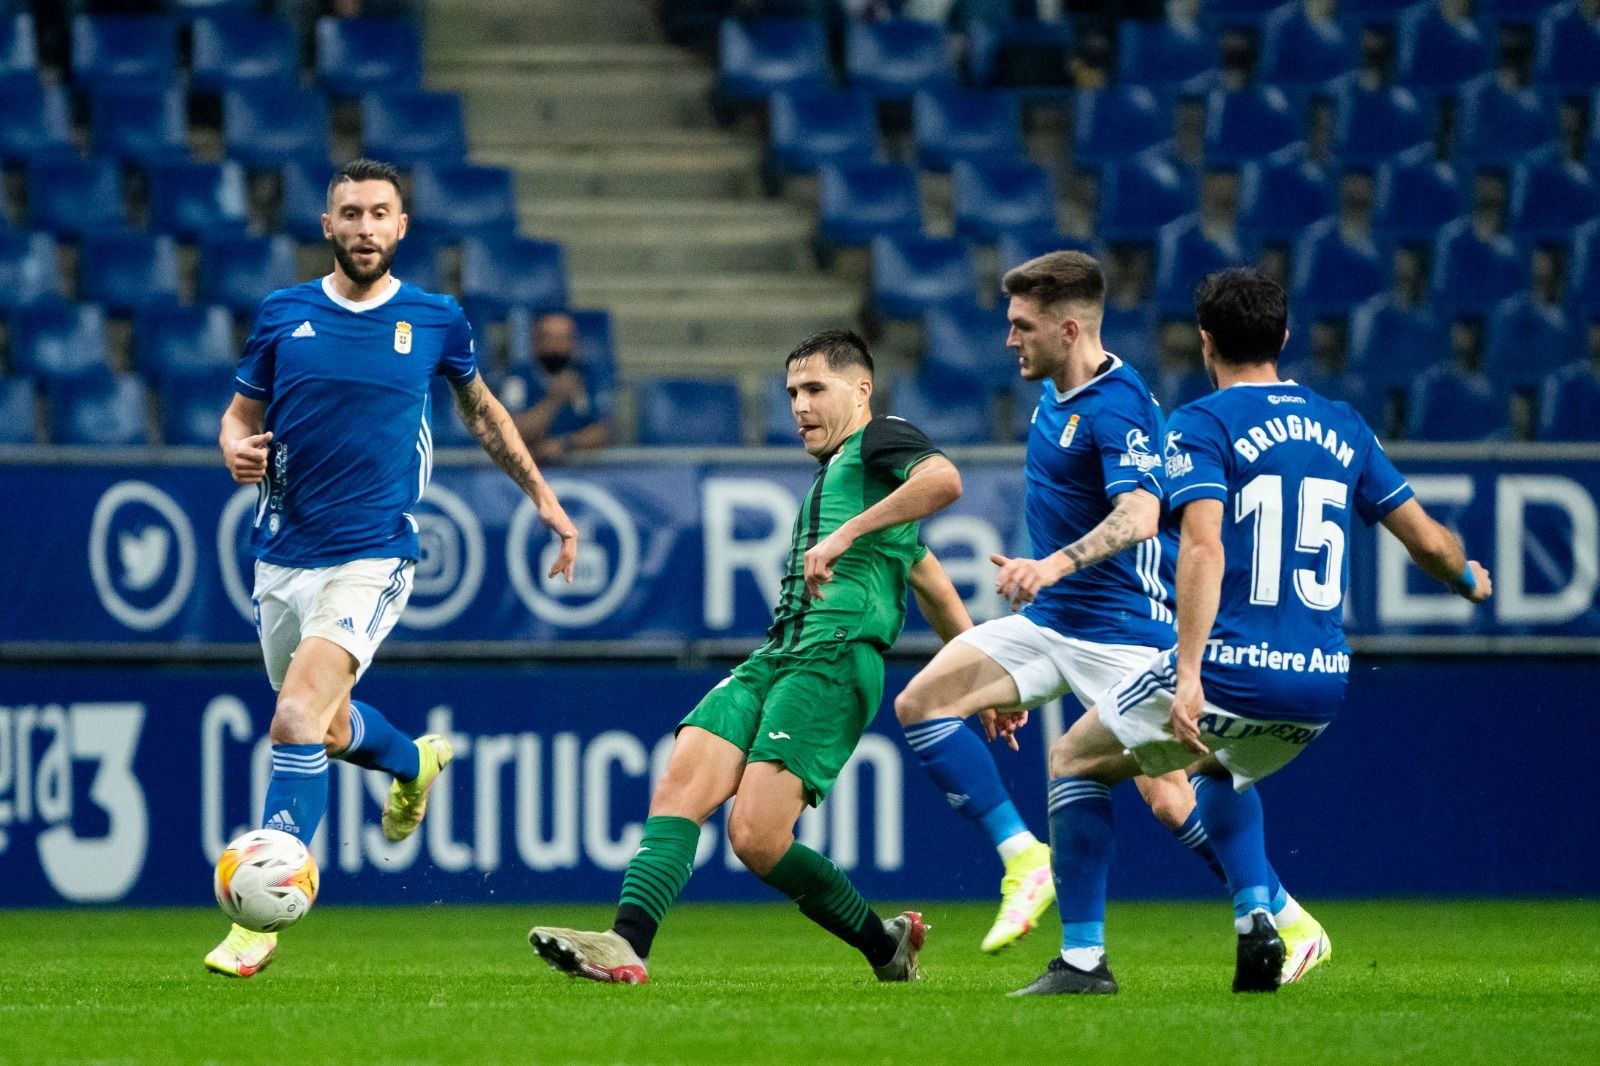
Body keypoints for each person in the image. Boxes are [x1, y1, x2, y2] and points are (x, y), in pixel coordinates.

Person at [1012, 267, 1492, 996]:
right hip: (1322, 683)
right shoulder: (1343, 424)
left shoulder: (1201, 424)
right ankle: (1255, 924)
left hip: (1234, 668)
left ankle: (1082, 962)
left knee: (1074, 761)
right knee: (1219, 766)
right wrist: (1468, 580)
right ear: (1285, 336)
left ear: (1205, 341)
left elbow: (1203, 547)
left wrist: (1190, 673)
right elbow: (1427, 541)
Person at [893, 251, 1324, 983]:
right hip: (1050, 624)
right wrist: (1023, 634)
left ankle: (1286, 918)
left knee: (1173, 797)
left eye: (1022, 326)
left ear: (1068, 329)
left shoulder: (1119, 405)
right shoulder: (1056, 389)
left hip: (1125, 629)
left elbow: (1140, 514)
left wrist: (1050, 566)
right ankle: (1027, 863)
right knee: (923, 702)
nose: (1009, 339)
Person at [209, 159, 580, 978]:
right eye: (351, 213)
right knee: (325, 726)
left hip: (373, 554)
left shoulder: (435, 319)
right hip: (281, 556)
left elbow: (483, 413)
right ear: (328, 226)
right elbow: (237, 416)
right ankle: (413, 761)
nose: (366, 226)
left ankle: (259, 918)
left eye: (380, 212)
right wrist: (234, 447)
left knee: (295, 718)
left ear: (402, 226)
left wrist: (544, 499)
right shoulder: (284, 313)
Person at [528, 328, 973, 985]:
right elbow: (930, 579)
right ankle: (626, 944)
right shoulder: (851, 485)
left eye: (815, 389)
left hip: (832, 657)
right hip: (779, 652)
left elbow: (945, 479)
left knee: (756, 837)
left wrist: (844, 535)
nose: (800, 406)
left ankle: (883, 945)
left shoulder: (881, 438)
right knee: (684, 775)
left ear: (862, 390)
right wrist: (978, 672)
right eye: (791, 392)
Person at [509, 311, 612, 463]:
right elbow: (511, 432)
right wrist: (554, 400)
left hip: (579, 469)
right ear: (536, 342)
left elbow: (602, 432)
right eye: (549, 338)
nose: (556, 346)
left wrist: (565, 444)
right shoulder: (518, 378)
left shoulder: (588, 376)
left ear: (574, 342)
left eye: (563, 338)